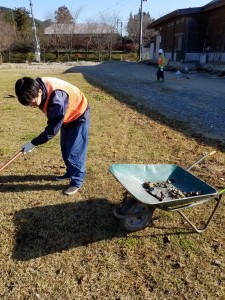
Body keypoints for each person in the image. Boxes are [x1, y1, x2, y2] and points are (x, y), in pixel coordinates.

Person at [15, 77, 90, 195]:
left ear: (39, 92)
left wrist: (33, 143)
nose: (33, 106)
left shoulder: (57, 100)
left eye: (33, 102)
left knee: (74, 152)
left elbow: (52, 130)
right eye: (29, 104)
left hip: (78, 114)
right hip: (65, 115)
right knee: (65, 148)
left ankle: (77, 181)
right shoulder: (34, 86)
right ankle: (70, 173)